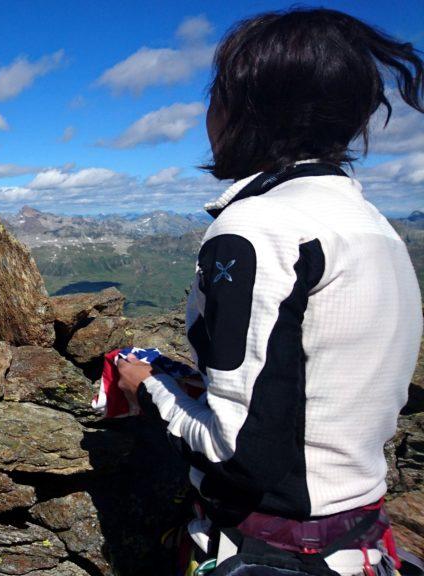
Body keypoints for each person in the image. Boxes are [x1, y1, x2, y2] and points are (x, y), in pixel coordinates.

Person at [115, 7, 424, 576]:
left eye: (215, 93)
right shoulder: (374, 225)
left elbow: (236, 454)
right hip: (356, 539)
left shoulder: (255, 229)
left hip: (271, 549)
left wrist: (153, 387)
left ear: (245, 108)